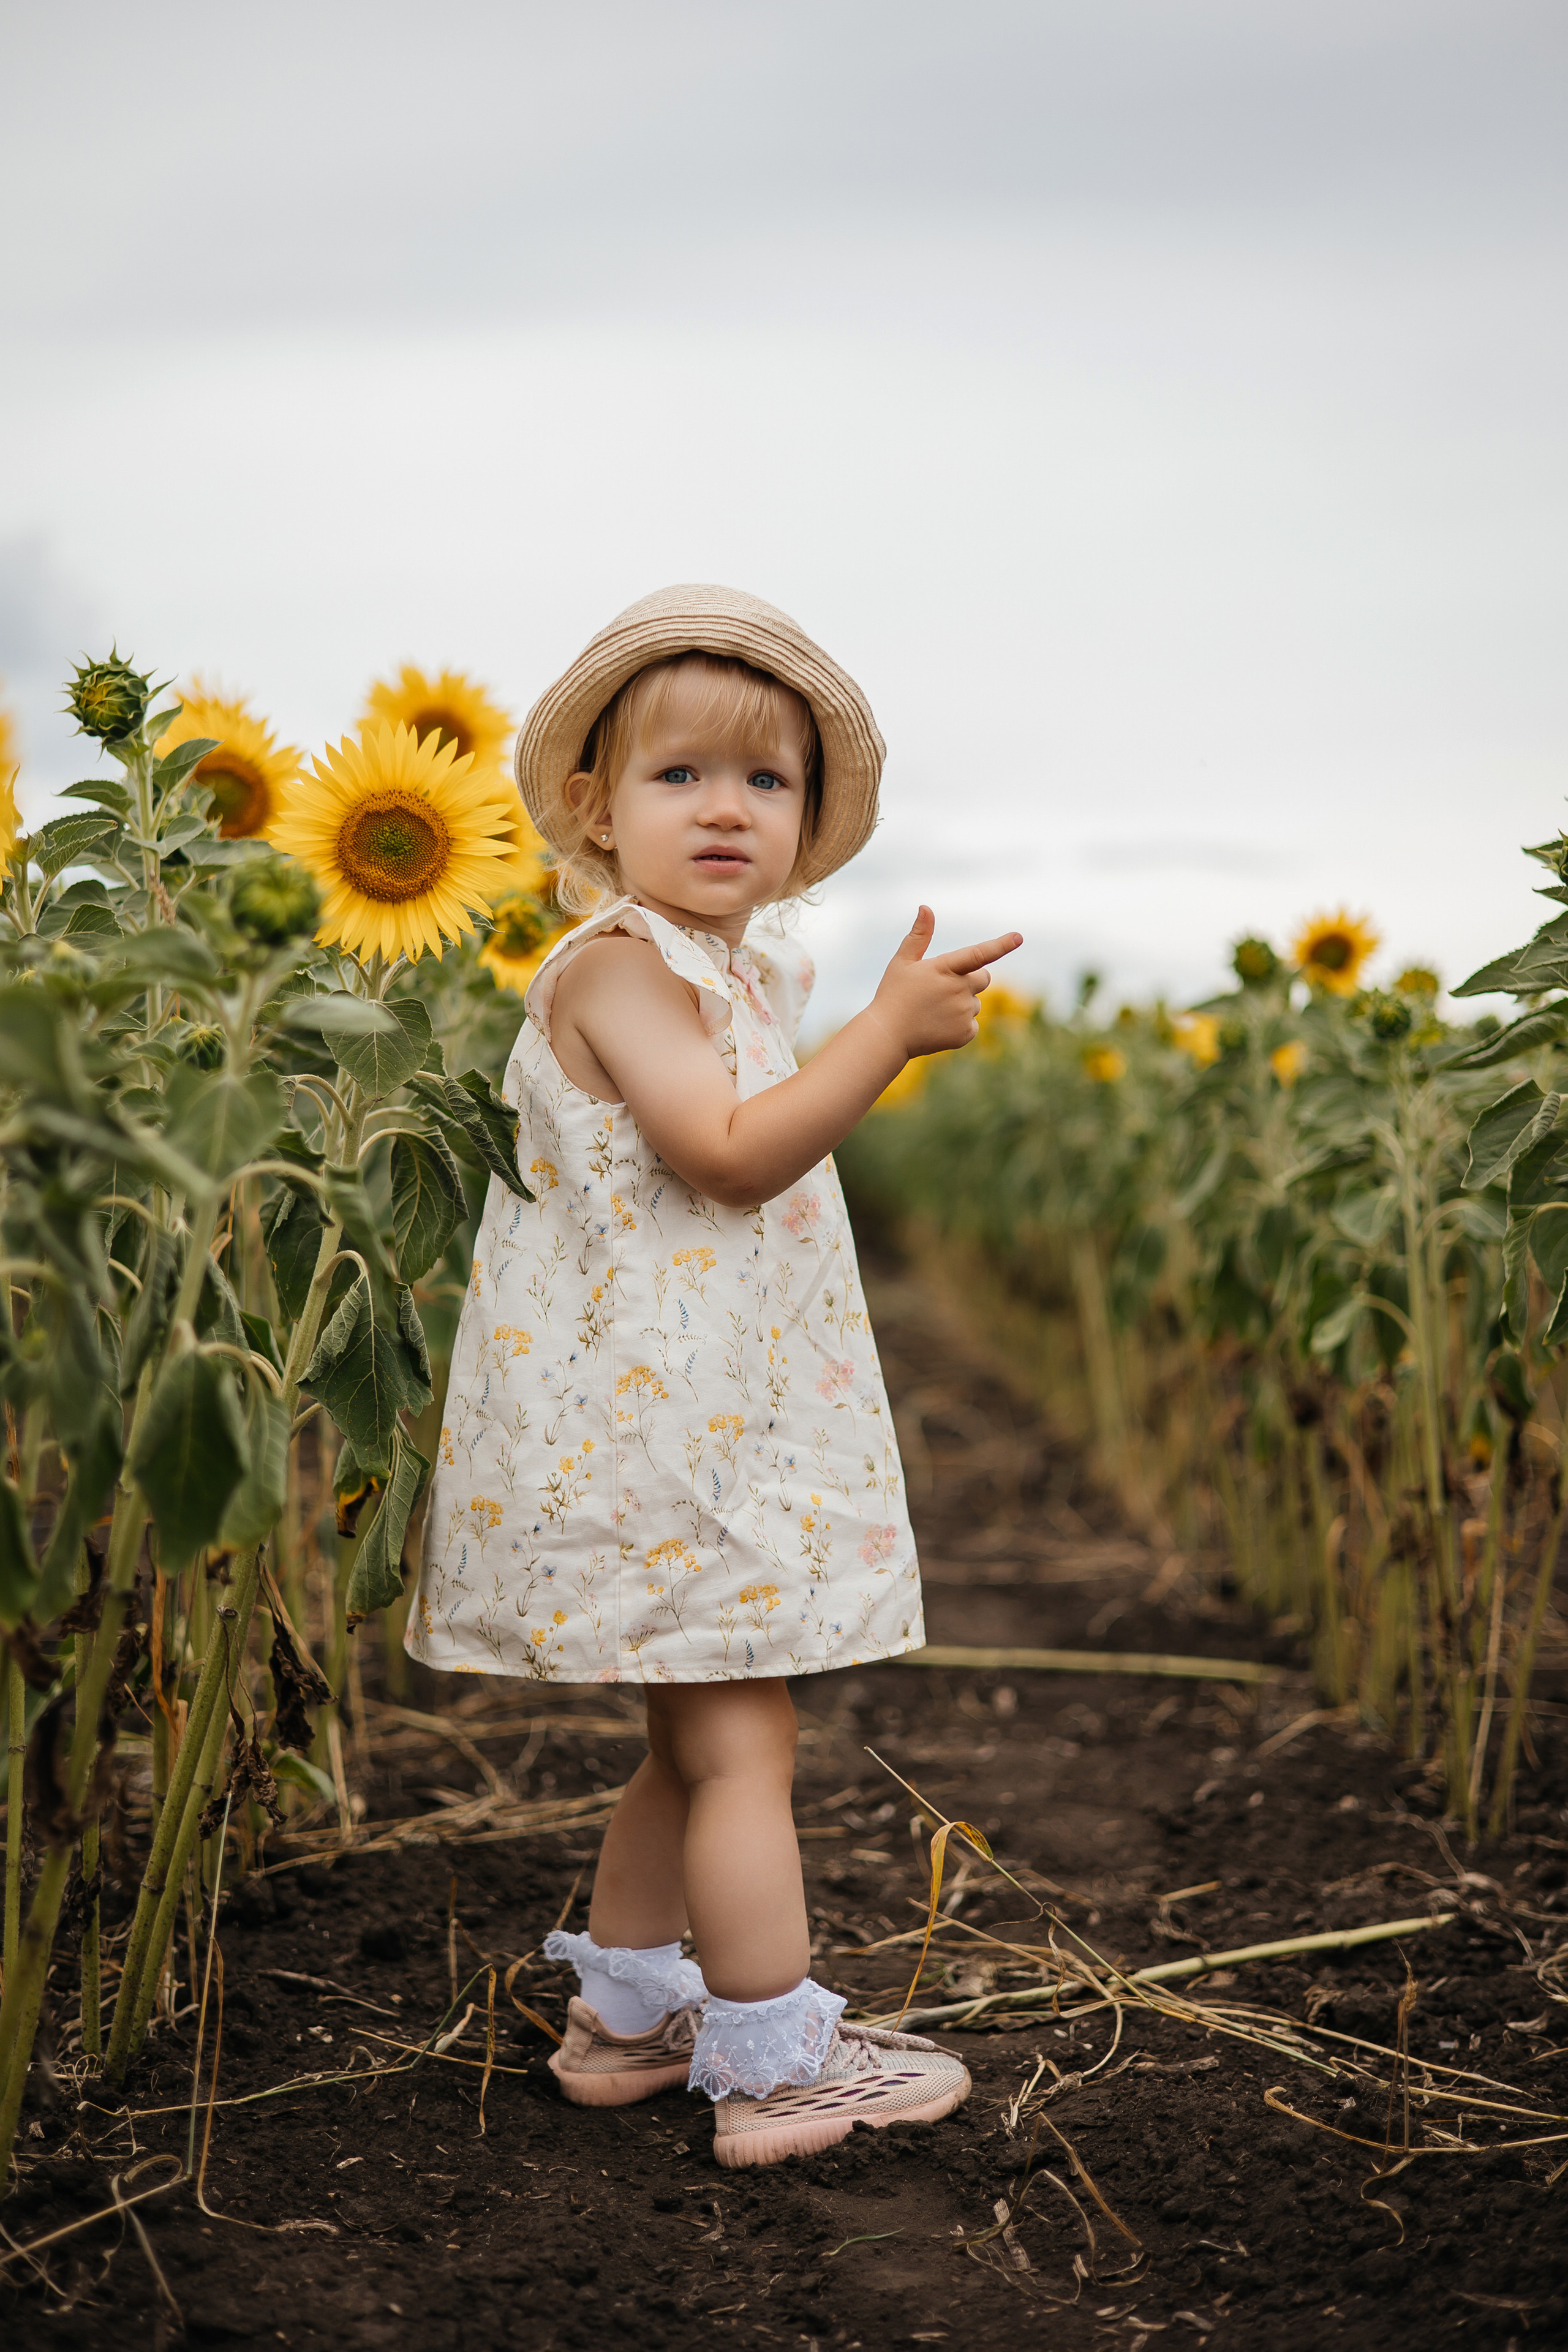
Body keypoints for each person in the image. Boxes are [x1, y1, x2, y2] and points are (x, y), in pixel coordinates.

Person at [407, 585, 1021, 2166]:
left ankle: (625, 2019)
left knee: (691, 1742)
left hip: (697, 1428)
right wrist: (888, 1031)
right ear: (593, 811)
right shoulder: (618, 969)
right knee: (748, 1744)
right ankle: (772, 2061)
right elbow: (730, 1155)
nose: (728, 807)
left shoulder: (730, 975)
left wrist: (854, 1028)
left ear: (811, 826)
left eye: (768, 780)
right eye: (680, 775)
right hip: (657, 1441)